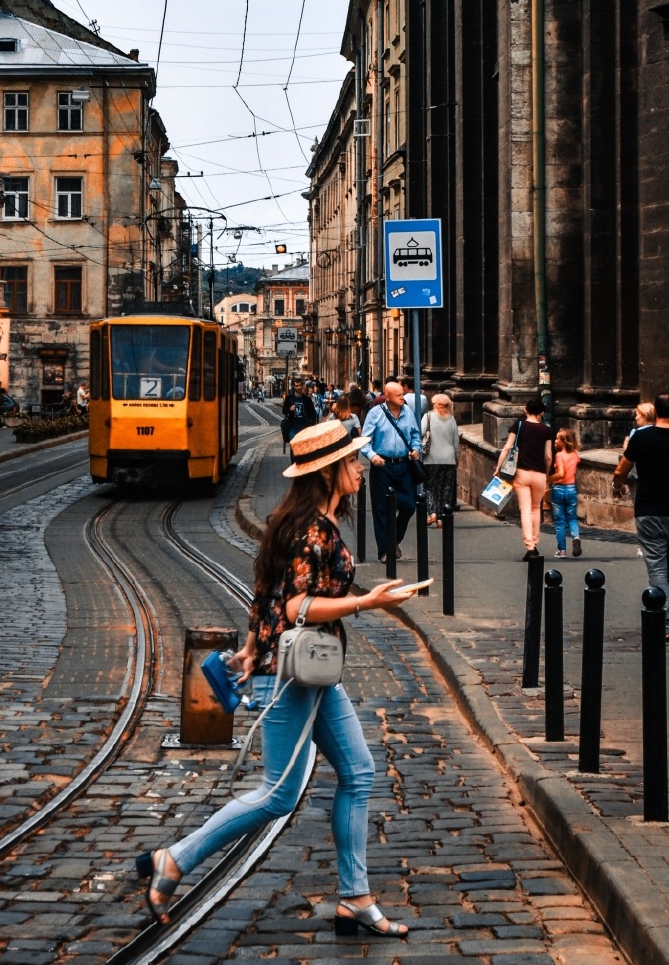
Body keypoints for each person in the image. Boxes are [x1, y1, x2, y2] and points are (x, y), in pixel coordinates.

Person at [136, 419, 416, 936]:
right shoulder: (311, 528)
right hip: (289, 676)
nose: (360, 467)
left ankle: (355, 897)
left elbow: (264, 594)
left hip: (307, 671)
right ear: (329, 471)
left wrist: (247, 648)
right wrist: (368, 602)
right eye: (352, 460)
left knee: (358, 773)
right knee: (277, 794)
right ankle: (172, 860)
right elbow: (293, 605)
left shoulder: (299, 521)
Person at [612, 391, 669, 625]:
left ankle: (665, 618)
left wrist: (617, 486)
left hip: (650, 509)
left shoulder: (642, 438)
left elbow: (620, 470)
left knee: (657, 566)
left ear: (655, 411)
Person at [360, 380, 423, 562]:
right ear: (387, 397)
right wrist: (372, 456)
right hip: (382, 465)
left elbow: (415, 435)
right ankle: (384, 552)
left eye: (403, 394)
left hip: (403, 465)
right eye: (398, 395)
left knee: (409, 505)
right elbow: (365, 440)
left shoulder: (408, 412)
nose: (403, 397)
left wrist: (416, 448)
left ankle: (393, 540)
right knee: (381, 508)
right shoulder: (375, 414)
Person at [495, 397, 553, 560]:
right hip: (539, 474)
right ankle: (535, 541)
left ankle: (530, 546)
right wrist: (546, 473)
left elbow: (507, 447)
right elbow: (548, 456)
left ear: (526, 410)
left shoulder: (518, 425)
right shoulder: (546, 430)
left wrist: (498, 467)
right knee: (536, 509)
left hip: (521, 473)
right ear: (541, 413)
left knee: (525, 509)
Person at [421, 394, 460, 526]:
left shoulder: (428, 417)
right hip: (448, 459)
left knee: (430, 487)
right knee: (446, 488)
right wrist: (456, 457)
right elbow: (456, 441)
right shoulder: (452, 420)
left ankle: (432, 513)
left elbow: (420, 433)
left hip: (431, 458)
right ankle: (441, 518)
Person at [547, 427, 582, 558]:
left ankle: (562, 550)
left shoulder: (559, 456)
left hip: (559, 489)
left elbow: (561, 474)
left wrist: (549, 478)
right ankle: (576, 537)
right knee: (572, 518)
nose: (555, 441)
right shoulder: (575, 454)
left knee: (560, 521)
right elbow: (577, 459)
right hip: (571, 488)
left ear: (564, 442)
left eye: (557, 439)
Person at [282, 377, 318, 455]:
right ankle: (293, 464)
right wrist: (289, 409)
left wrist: (313, 427)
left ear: (303, 386)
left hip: (304, 427)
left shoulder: (307, 399)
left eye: (300, 385)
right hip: (293, 427)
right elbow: (284, 411)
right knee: (293, 447)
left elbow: (313, 414)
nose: (298, 387)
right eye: (296, 386)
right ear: (294, 387)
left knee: (303, 448)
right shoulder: (289, 398)